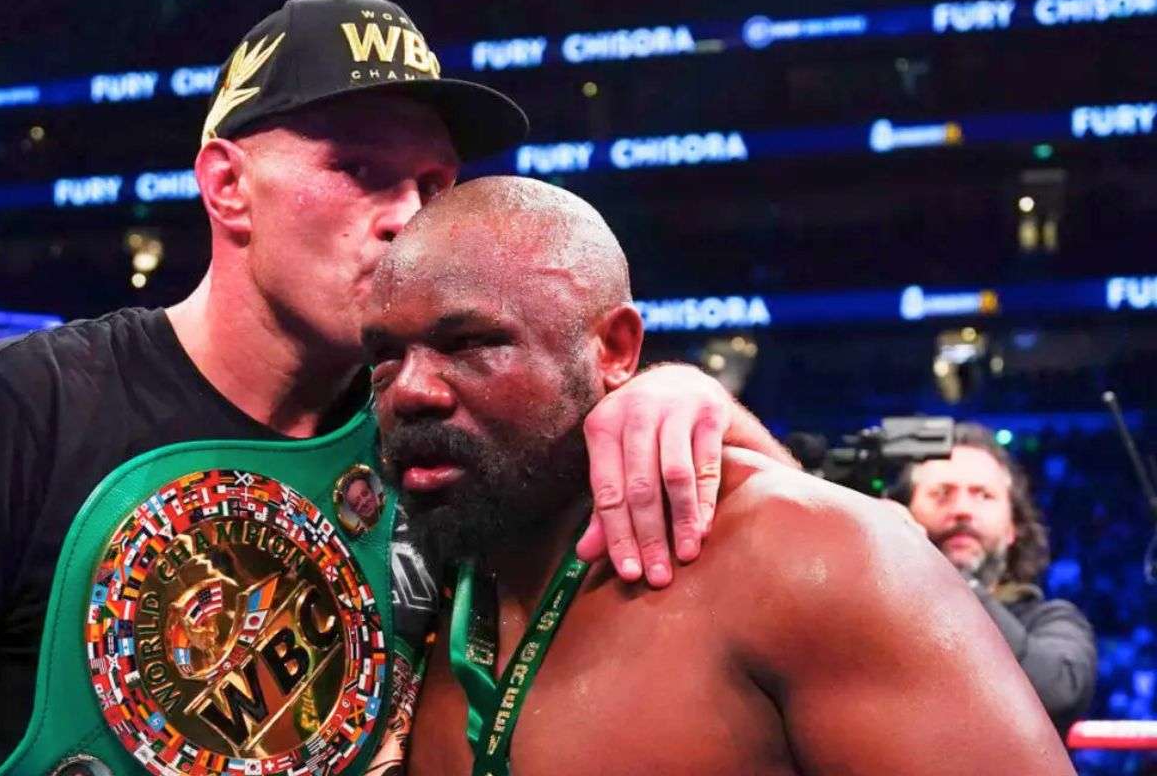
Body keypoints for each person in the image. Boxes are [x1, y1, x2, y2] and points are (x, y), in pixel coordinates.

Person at [0, 0, 793, 776]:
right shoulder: (11, 414)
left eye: (433, 184)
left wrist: (687, 402)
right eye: (360, 170)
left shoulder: (446, 438)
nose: (408, 216)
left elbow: (775, 571)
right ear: (227, 186)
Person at [363, 176, 1074, 775]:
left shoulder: (807, 555)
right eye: (386, 355)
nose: (410, 390)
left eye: (471, 342)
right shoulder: (416, 590)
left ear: (615, 349)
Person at [896, 422, 1097, 736]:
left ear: (1011, 528)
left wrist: (949, 580)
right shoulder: (870, 617)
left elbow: (1058, 696)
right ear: (904, 512)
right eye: (941, 494)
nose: (962, 509)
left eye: (983, 495)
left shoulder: (1051, 620)